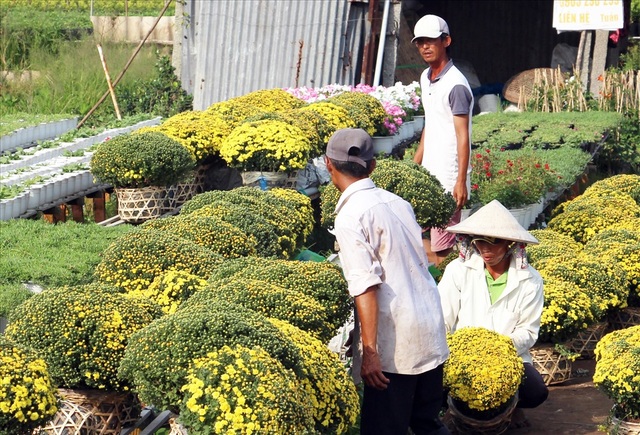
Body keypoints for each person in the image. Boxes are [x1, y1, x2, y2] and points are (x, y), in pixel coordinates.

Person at [326, 128, 450, 435]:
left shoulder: (350, 216)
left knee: (384, 428)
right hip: (429, 324)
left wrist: (370, 352)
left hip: (396, 341)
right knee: (426, 424)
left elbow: (366, 286)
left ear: (328, 164)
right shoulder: (398, 202)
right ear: (373, 166)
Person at [437, 200, 549, 428]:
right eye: (480, 242)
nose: (486, 250)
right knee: (430, 384)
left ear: (510, 243)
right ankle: (452, 410)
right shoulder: (458, 271)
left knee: (536, 391)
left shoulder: (530, 280)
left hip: (509, 356)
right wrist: (459, 351)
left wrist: (498, 350)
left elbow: (528, 330)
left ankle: (514, 406)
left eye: (494, 242)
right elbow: (442, 319)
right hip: (460, 356)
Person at [411, 14, 473, 266]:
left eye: (431, 41)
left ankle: (443, 293)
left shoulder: (456, 84)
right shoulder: (426, 77)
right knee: (420, 234)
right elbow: (431, 120)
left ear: (446, 41)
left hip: (448, 175)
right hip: (429, 170)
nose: (425, 47)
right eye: (420, 42)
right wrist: (417, 159)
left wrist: (460, 180)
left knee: (442, 247)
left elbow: (463, 135)